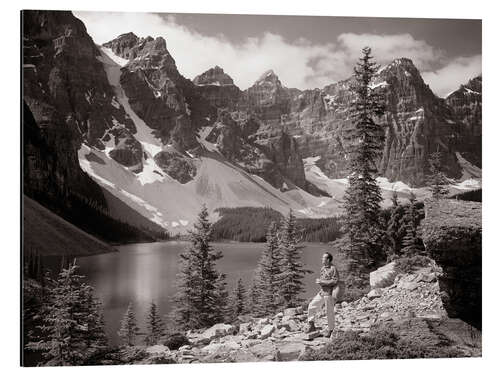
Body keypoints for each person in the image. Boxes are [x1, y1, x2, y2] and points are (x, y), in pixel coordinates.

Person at [304, 251, 339, 338]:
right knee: (311, 305)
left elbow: (335, 281)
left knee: (329, 312)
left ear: (328, 259)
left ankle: (331, 330)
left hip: (329, 293)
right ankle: (311, 325)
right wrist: (320, 281)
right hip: (322, 292)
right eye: (322, 258)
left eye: (323, 258)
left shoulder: (333, 269)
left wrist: (322, 282)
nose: (322, 259)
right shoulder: (323, 268)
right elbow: (323, 279)